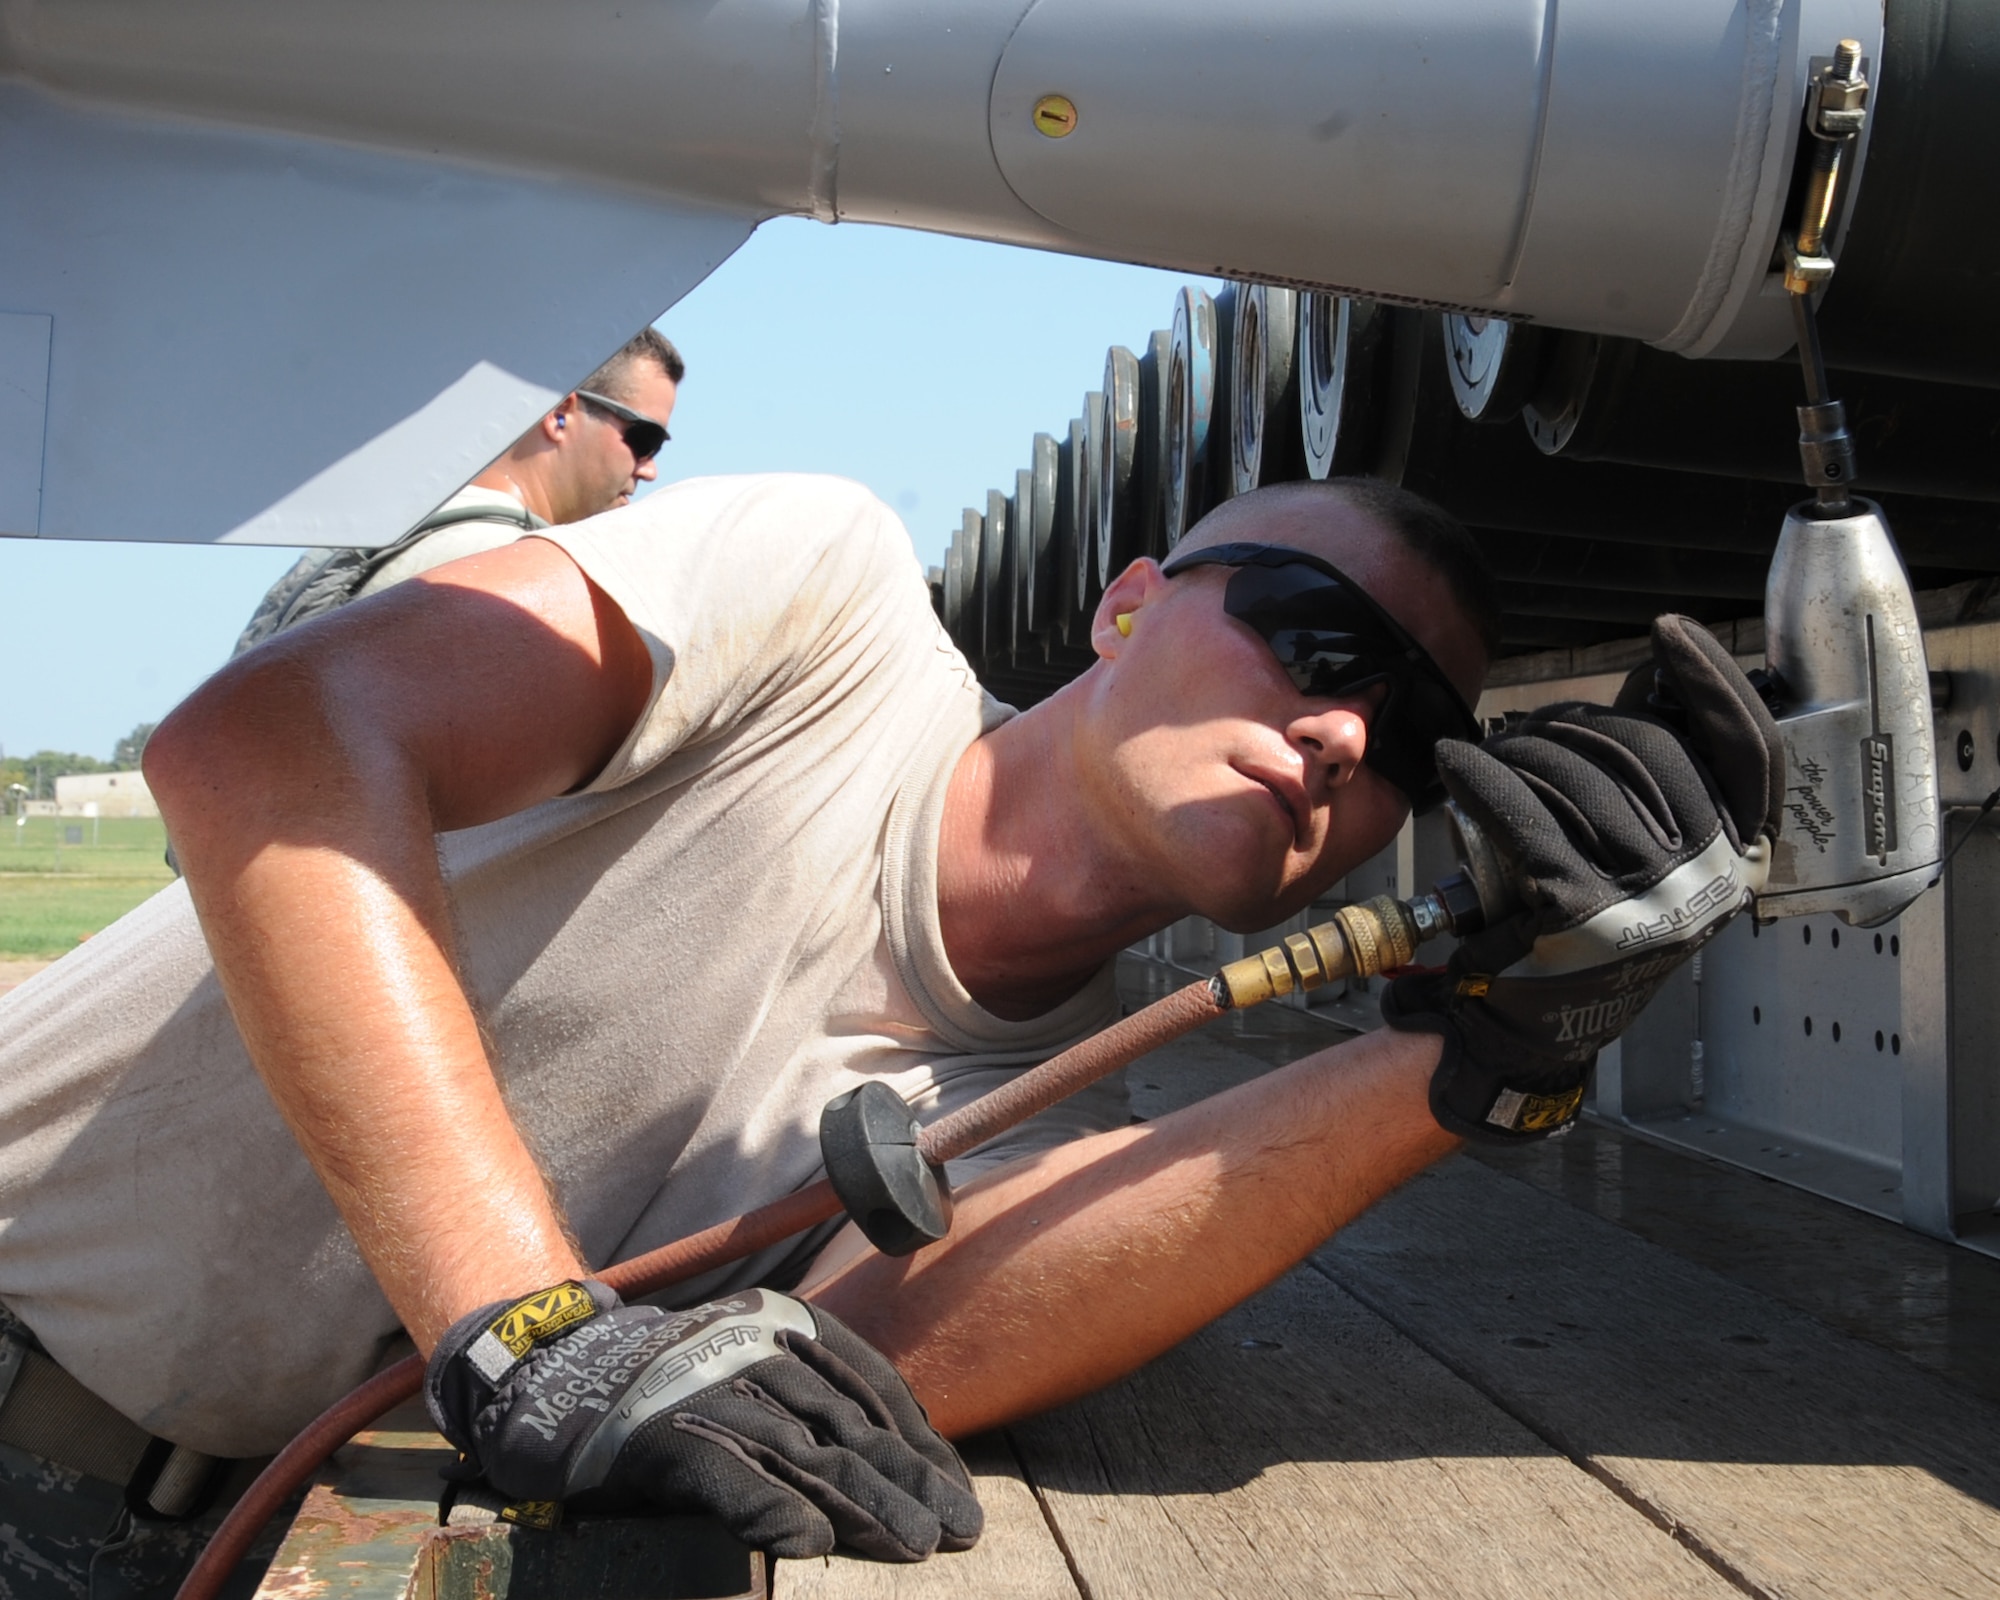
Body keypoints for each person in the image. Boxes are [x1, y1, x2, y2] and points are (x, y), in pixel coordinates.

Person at [0, 473, 1776, 1589]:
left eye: (1408, 741)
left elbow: (869, 1369)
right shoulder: (823, 604)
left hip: (174, 1528)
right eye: (1317, 642)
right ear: (1132, 601)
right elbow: (263, 746)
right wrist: (523, 1323)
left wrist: (1508, 1050)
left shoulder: (1056, 1110)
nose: (1340, 736)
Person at [230, 328, 682, 653]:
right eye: (644, 440)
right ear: (560, 414)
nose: (651, 471)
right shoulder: (509, 567)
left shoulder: (382, 534)